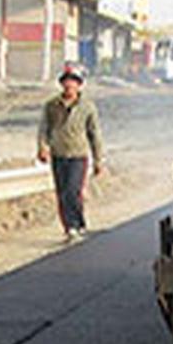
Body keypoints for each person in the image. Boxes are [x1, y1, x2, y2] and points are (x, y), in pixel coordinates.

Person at [37, 65, 104, 242]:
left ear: (79, 85)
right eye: (66, 81)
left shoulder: (87, 107)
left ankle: (75, 224)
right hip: (58, 155)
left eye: (73, 82)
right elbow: (44, 129)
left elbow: (94, 134)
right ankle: (71, 226)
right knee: (61, 193)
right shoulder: (52, 106)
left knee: (72, 191)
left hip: (78, 155)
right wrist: (42, 148)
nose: (69, 85)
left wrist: (98, 160)